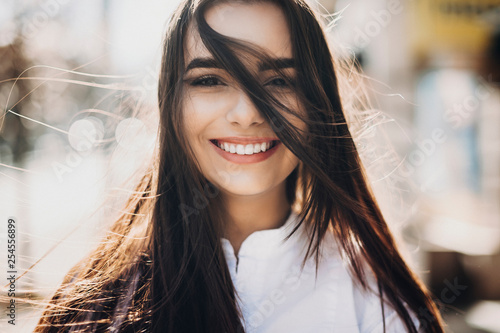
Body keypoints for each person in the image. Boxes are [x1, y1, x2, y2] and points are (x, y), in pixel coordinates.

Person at [35, 0, 445, 332]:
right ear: (170, 105)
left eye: (280, 81)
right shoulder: (96, 302)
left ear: (318, 105)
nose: (247, 113)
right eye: (210, 80)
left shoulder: (375, 300)